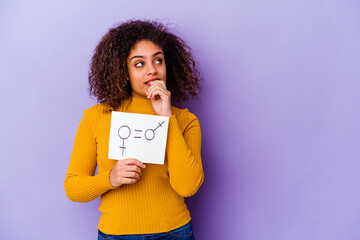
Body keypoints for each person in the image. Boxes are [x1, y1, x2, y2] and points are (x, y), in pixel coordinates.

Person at [64, 20, 204, 240]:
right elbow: (72, 186)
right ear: (124, 71)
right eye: (139, 64)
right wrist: (110, 178)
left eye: (158, 60)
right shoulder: (96, 117)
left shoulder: (186, 121)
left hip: (174, 233)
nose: (152, 70)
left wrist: (167, 118)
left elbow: (187, 186)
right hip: (116, 235)